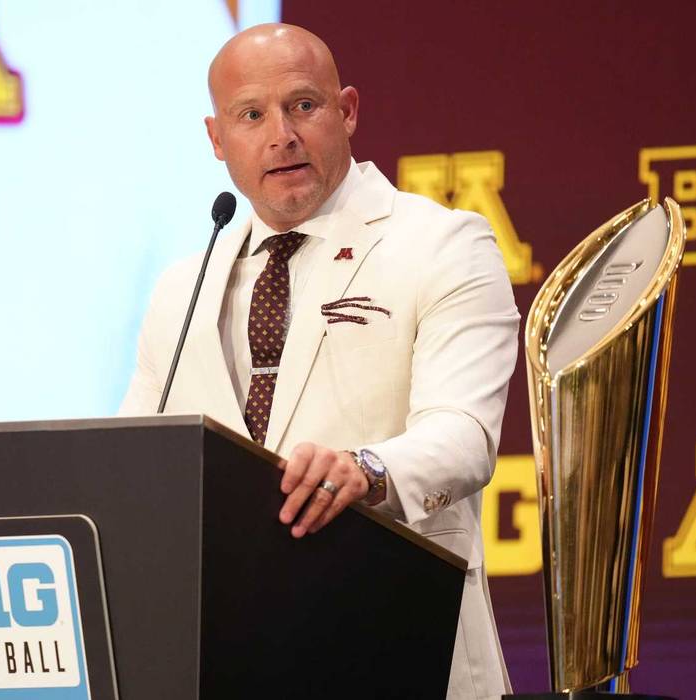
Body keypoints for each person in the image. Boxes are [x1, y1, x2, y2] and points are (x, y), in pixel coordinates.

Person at [119, 23, 518, 700]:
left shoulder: (442, 244)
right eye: (250, 116)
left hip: (398, 639)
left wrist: (366, 469)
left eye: (302, 105)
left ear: (347, 110)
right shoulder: (182, 288)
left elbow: (463, 435)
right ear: (217, 139)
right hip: (232, 658)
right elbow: (137, 459)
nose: (281, 135)